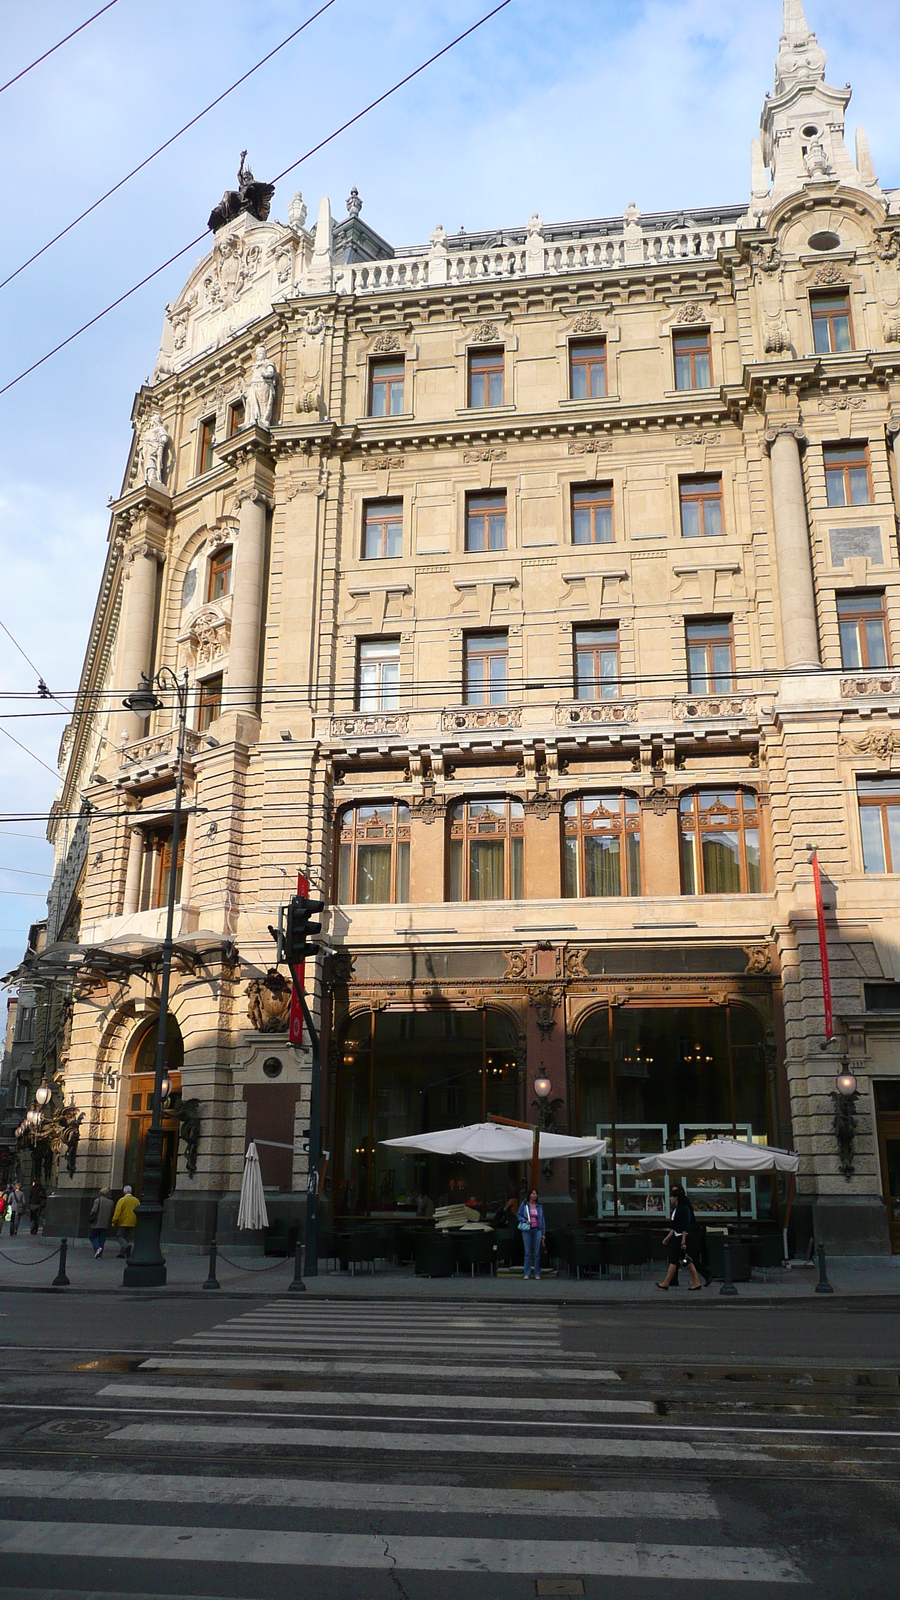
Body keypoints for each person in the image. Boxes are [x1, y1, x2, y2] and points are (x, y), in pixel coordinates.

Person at [657, 1184, 703, 1290]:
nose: (670, 1199)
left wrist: (683, 1241)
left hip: (680, 1238)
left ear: (676, 1198)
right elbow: (675, 1226)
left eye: (671, 1197)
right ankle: (696, 1282)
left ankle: (666, 1282)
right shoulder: (678, 1209)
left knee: (673, 1260)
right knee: (685, 1260)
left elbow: (684, 1227)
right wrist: (668, 1237)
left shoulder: (682, 1209)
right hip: (677, 1236)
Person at [517, 1188, 546, 1281]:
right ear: (529, 1195)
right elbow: (518, 1215)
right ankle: (527, 1273)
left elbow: (542, 1219)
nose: (535, 1196)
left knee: (537, 1252)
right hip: (527, 1230)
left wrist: (543, 1233)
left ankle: (537, 1273)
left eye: (536, 1194)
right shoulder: (524, 1205)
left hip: (537, 1230)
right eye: (533, 1194)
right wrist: (525, 1221)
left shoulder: (539, 1207)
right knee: (527, 1252)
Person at [111, 1186, 139, 1258]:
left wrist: (114, 1221)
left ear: (124, 1192)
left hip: (122, 1222)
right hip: (132, 1222)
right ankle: (122, 1253)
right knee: (127, 1238)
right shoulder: (136, 1201)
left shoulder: (122, 1200)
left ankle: (126, 1247)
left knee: (119, 1236)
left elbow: (118, 1212)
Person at [88, 1188, 114, 1259]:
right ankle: (99, 1254)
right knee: (102, 1238)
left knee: (92, 1237)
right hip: (105, 1223)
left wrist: (90, 1216)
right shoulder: (111, 1202)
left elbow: (94, 1210)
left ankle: (97, 1248)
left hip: (97, 1222)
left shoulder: (97, 1200)